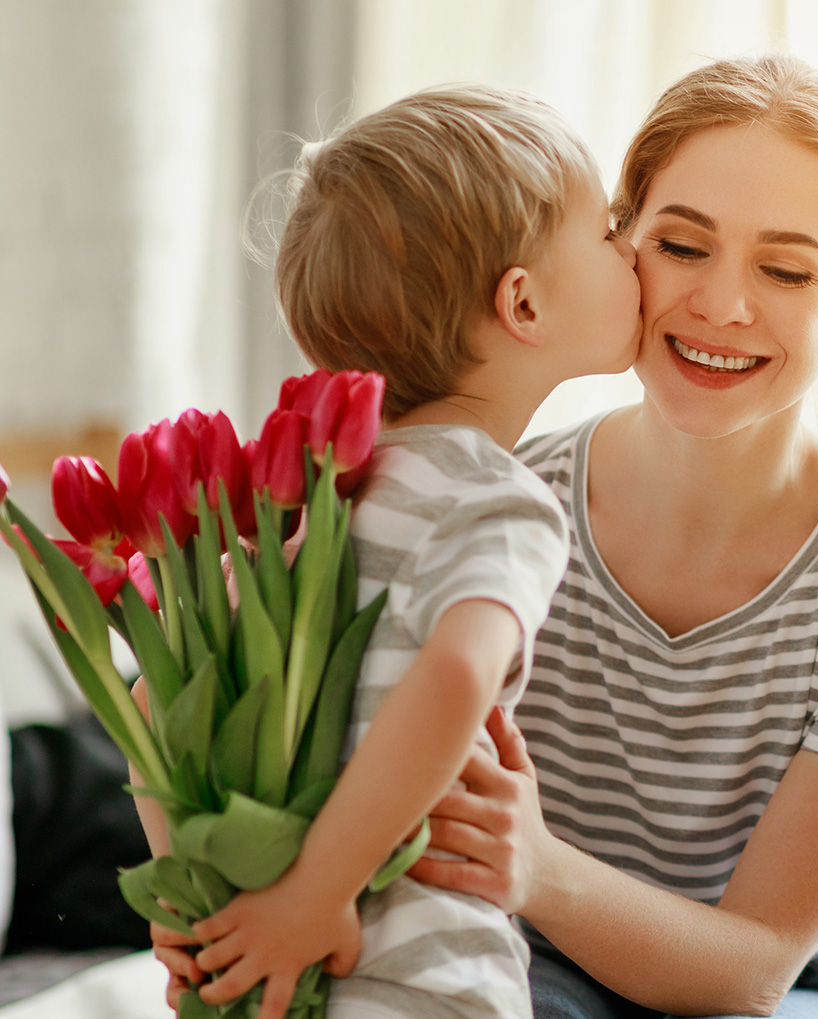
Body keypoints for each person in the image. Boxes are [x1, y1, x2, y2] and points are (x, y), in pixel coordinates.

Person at [403, 56, 818, 1019]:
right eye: (682, 247)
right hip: (546, 953)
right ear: (618, 245)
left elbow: (754, 967)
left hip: (812, 990)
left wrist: (538, 866)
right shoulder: (490, 504)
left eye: (787, 269)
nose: (722, 305)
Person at [136, 84, 640, 1019]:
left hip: (277, 981)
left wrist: (200, 900)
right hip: (432, 985)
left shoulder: (313, 506)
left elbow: (150, 699)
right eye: (609, 229)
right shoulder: (499, 502)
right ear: (522, 303)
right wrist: (317, 893)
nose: (635, 249)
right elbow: (455, 673)